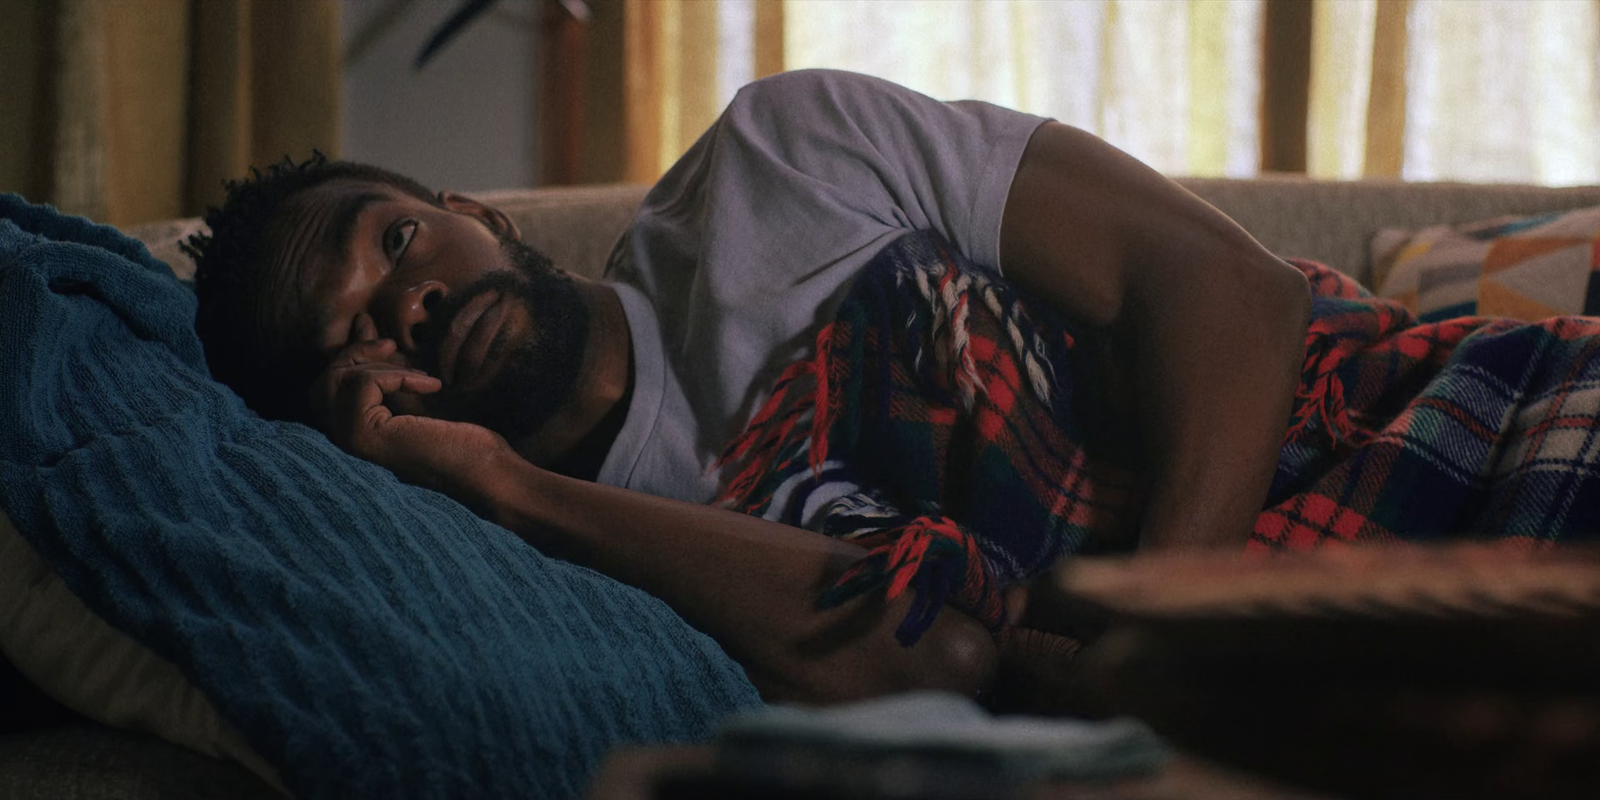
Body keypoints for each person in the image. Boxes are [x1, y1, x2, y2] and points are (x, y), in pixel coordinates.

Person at [182, 69, 1315, 706]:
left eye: (397, 240)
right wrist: (505, 487)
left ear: (478, 213)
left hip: (1370, 434)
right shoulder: (554, 571)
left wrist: (1157, 654)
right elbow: (940, 662)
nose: (408, 303)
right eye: (357, 336)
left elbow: (1235, 291)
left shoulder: (785, 151)